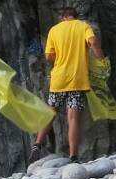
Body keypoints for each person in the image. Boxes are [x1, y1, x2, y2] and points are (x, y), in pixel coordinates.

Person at [30, 8, 104, 163]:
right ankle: (73, 156)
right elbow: (93, 42)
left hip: (59, 79)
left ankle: (37, 144)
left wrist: (60, 59)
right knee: (73, 118)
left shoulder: (54, 30)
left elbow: (49, 56)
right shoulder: (83, 26)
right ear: (74, 17)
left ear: (63, 18)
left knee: (51, 112)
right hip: (77, 80)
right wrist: (101, 60)